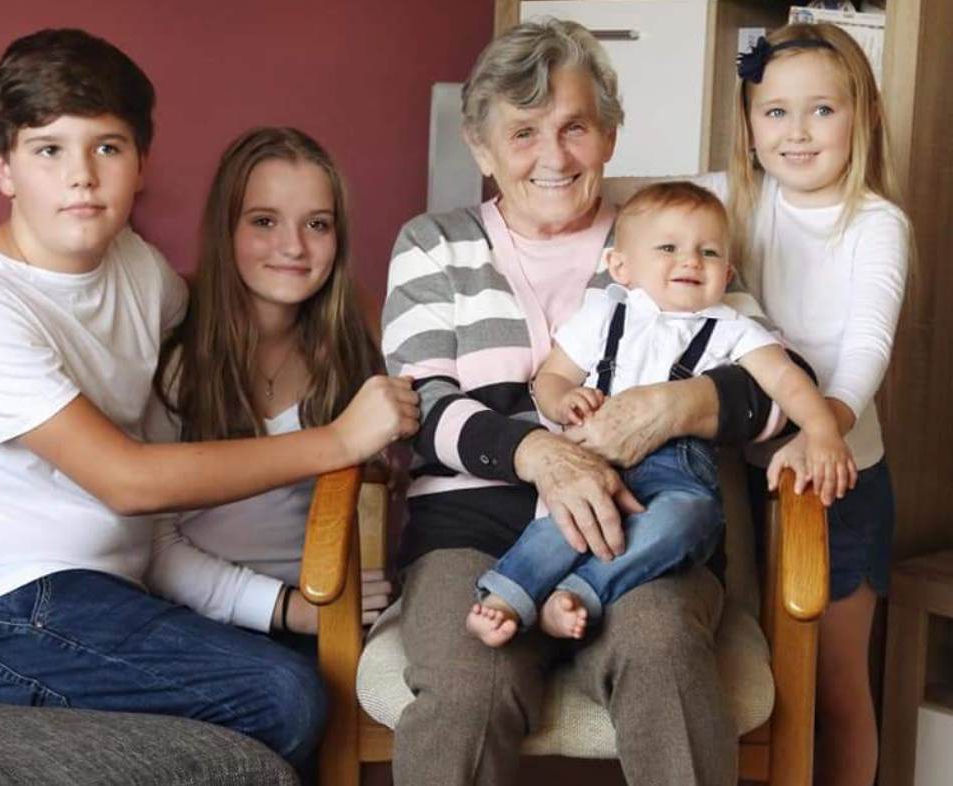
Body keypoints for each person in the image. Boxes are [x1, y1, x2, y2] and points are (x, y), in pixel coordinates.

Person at [0, 29, 418, 769]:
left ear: (141, 163)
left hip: (100, 592)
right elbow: (127, 482)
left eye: (107, 147)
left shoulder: (139, 271)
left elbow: (227, 299)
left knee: (288, 682)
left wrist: (349, 315)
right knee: (283, 695)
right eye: (48, 150)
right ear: (1, 166)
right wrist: (340, 440)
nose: (81, 177)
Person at [381, 18, 805, 786]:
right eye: (523, 132)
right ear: (481, 147)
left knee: (662, 648)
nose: (554, 155)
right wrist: (540, 453)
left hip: (638, 529)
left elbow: (776, 385)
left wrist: (675, 407)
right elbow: (421, 406)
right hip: (472, 528)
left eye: (575, 127)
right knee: (471, 682)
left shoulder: (667, 232)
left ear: (610, 134)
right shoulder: (434, 244)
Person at [466, 181, 856, 647]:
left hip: (680, 473)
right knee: (564, 524)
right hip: (593, 461)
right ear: (621, 266)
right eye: (669, 248)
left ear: (728, 273)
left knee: (690, 518)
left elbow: (788, 381)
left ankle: (578, 593)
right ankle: (507, 596)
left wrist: (822, 431)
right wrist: (563, 400)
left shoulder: (733, 327)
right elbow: (550, 377)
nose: (691, 261)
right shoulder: (604, 314)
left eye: (709, 252)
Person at [715, 23, 909, 786]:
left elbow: (866, 346)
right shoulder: (734, 200)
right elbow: (638, 211)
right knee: (756, 680)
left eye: (822, 110)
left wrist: (823, 428)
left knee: (831, 686)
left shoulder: (876, 223)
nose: (796, 132)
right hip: (741, 475)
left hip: (841, 481)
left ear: (863, 118)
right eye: (775, 112)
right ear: (749, 124)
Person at [145, 126, 393, 638]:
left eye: (317, 224)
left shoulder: (356, 340)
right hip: (197, 615)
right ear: (226, 229)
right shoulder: (174, 349)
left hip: (324, 607)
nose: (293, 247)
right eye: (264, 221)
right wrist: (289, 609)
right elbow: (151, 545)